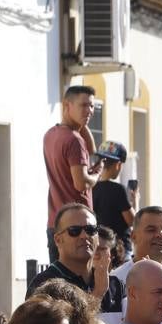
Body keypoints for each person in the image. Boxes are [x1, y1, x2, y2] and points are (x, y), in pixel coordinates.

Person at [29, 203, 125, 313]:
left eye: (90, 229)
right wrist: (98, 294)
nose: (84, 236)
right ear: (58, 240)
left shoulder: (114, 285)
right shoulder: (44, 285)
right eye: (74, 230)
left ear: (97, 237)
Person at [43, 85, 102, 258]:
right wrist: (97, 175)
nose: (89, 111)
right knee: (79, 284)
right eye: (83, 105)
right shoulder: (75, 140)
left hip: (55, 223)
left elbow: (91, 150)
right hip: (77, 227)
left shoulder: (50, 134)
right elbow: (81, 183)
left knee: (57, 283)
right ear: (67, 106)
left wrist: (81, 125)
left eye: (92, 106)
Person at [91, 140, 134, 259]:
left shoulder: (90, 188)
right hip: (120, 249)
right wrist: (135, 200)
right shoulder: (119, 189)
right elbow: (132, 221)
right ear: (118, 164)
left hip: (99, 247)